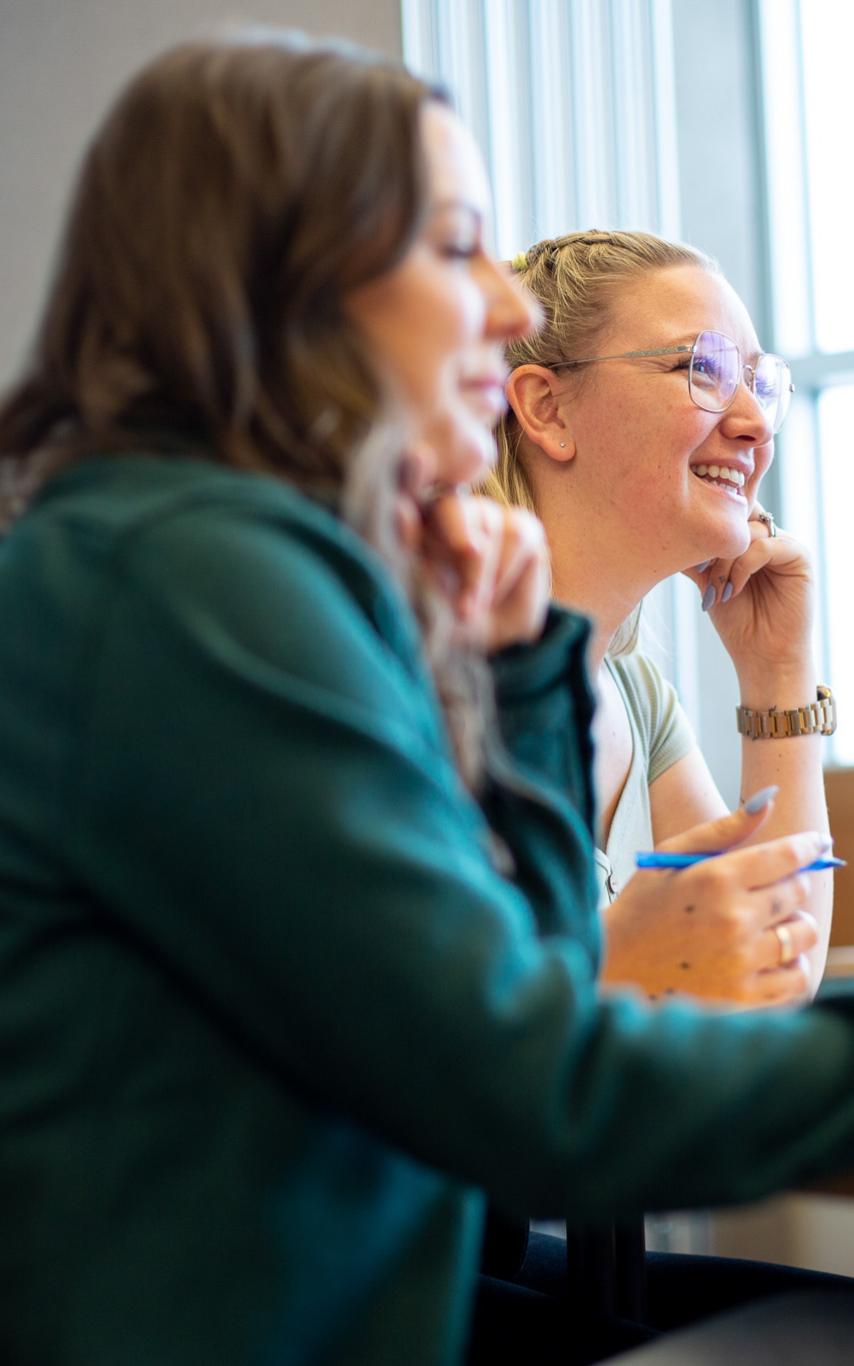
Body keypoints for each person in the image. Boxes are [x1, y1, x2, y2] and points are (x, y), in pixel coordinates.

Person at [3, 30, 854, 1366]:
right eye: (454, 244)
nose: (507, 307)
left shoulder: (227, 557)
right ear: (291, 285)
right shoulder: (191, 574)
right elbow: (526, 1079)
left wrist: (521, 677)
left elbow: (516, 994)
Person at [487, 229, 830, 1007]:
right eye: (700, 369)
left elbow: (775, 972)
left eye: (758, 382)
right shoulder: (435, 683)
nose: (755, 423)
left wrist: (778, 674)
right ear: (547, 408)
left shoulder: (635, 693)